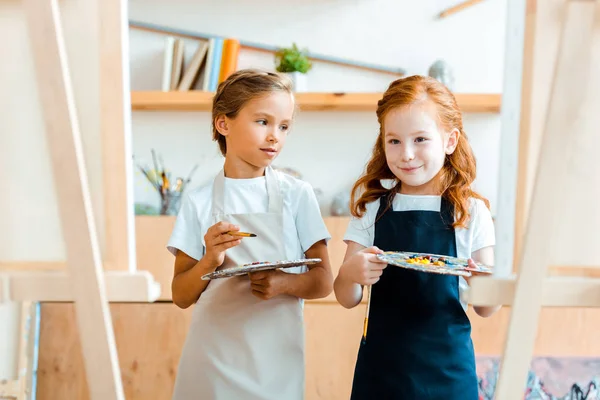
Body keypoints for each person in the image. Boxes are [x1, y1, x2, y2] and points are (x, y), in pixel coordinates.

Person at [167, 69, 332, 400]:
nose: (275, 136)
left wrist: (283, 282)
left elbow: (324, 280)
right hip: (213, 360)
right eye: (263, 122)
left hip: (276, 362)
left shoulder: (297, 195)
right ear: (223, 124)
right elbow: (181, 295)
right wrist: (209, 260)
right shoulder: (198, 201)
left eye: (284, 126)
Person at [333, 75, 500, 399]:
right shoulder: (372, 209)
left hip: (448, 373)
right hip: (382, 373)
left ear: (450, 141)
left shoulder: (470, 212)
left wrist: (485, 279)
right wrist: (351, 273)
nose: (406, 154)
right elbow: (346, 296)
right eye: (394, 141)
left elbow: (487, 307)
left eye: (420, 139)